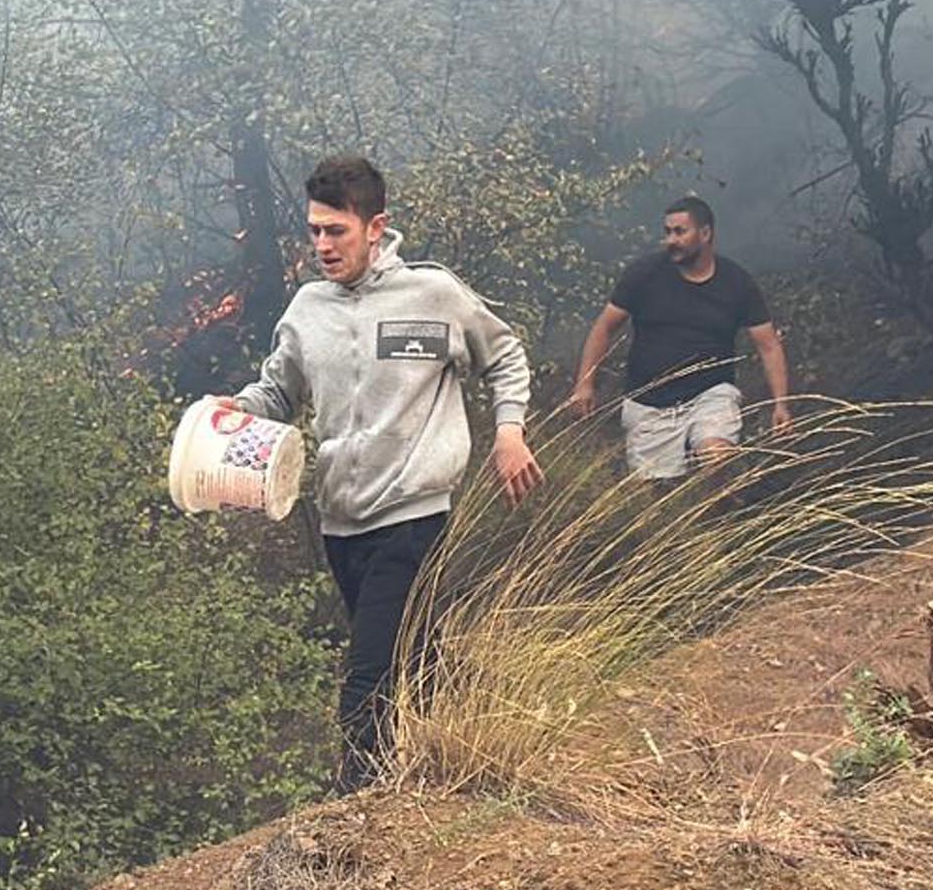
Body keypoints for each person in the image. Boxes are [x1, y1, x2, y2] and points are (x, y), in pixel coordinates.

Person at [223, 154, 542, 791]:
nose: (322, 245)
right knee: (415, 656)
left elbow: (504, 355)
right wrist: (234, 410)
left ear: (376, 226)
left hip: (414, 513)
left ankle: (357, 805)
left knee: (367, 674)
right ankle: (478, 748)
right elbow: (278, 393)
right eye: (313, 231)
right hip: (340, 521)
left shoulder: (433, 294)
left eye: (335, 231)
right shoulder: (307, 309)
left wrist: (509, 430)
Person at [564, 196, 792, 478]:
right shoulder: (644, 275)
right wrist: (585, 385)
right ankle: (699, 518)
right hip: (649, 402)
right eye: (667, 232)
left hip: (711, 394)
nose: (671, 240)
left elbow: (768, 345)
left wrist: (780, 403)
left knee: (716, 459)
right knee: (658, 498)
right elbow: (604, 328)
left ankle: (724, 508)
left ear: (705, 233)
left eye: (680, 232)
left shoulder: (736, 283)